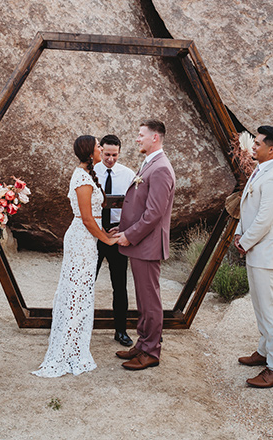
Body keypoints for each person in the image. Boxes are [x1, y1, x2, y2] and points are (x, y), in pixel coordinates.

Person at [32, 135, 118, 377]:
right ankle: (66, 349)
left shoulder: (88, 174)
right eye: (98, 146)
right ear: (90, 152)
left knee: (82, 291)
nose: (101, 149)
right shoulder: (81, 177)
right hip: (81, 240)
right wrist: (107, 239)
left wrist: (104, 232)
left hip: (88, 239)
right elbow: (87, 218)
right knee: (76, 291)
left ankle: (75, 343)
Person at [115, 120, 175, 371]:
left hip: (147, 244)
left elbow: (153, 213)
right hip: (141, 243)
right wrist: (120, 230)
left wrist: (130, 235)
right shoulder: (150, 163)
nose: (137, 139)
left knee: (150, 300)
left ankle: (151, 351)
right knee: (142, 297)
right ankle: (143, 343)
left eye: (141, 135)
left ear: (156, 137)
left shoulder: (160, 168)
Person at [234, 125, 273, 388]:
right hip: (256, 250)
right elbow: (247, 207)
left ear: (271, 149)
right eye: (253, 142)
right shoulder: (261, 170)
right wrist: (238, 232)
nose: (252, 147)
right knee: (259, 306)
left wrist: (244, 242)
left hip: (268, 252)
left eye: (257, 144)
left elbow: (265, 220)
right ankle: (264, 351)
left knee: (271, 310)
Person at [94, 134, 136, 347]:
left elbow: (135, 206)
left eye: (115, 155)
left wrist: (125, 230)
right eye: (107, 154)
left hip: (117, 235)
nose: (110, 159)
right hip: (95, 237)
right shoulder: (91, 173)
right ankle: (79, 327)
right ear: (100, 150)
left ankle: (121, 331)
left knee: (119, 285)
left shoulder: (128, 174)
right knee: (86, 283)